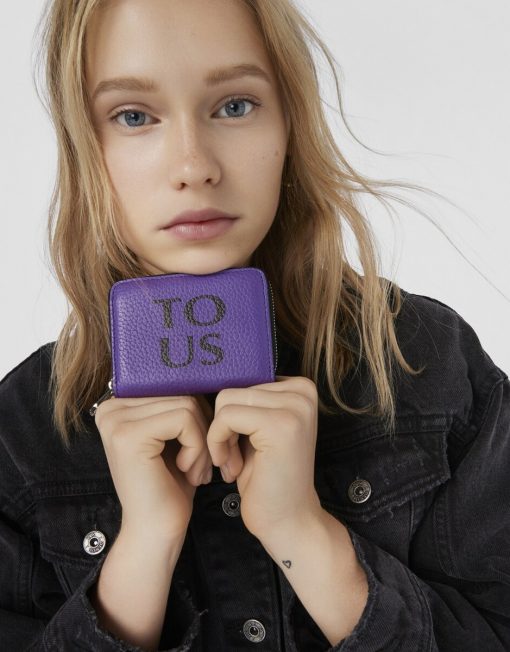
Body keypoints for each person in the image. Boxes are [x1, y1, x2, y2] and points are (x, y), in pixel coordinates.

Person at [1, 0, 508, 650]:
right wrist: (142, 554)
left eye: (235, 105)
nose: (194, 166)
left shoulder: (428, 363)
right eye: (133, 116)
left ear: (289, 120)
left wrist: (306, 536)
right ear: (82, 145)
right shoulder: (21, 432)